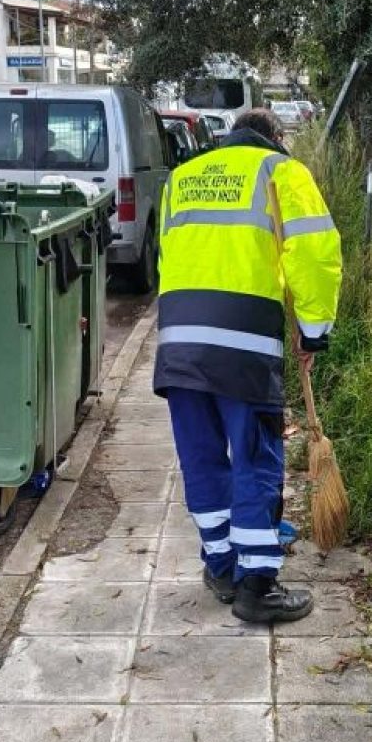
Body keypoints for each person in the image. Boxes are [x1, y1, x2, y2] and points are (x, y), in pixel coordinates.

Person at [154, 108, 342, 623]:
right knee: (257, 458)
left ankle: (221, 566)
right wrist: (314, 330)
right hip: (242, 343)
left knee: (202, 459)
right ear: (275, 137)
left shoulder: (182, 178)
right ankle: (257, 586)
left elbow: (167, 259)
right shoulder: (281, 172)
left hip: (179, 343)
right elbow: (315, 254)